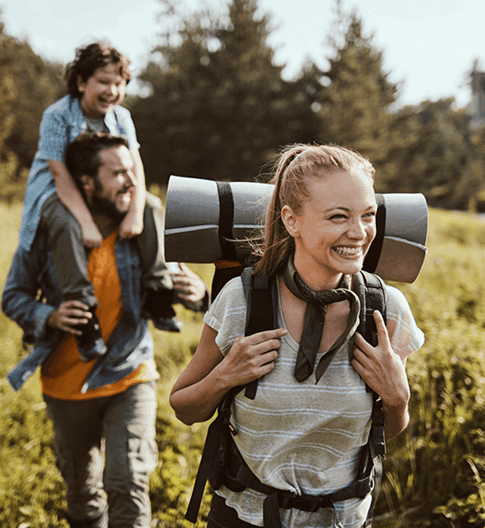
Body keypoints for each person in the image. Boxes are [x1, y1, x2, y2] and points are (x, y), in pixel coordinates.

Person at [169, 144, 425, 528]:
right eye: (338, 217)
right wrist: (226, 376)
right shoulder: (241, 301)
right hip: (245, 518)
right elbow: (184, 408)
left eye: (368, 215)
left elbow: (383, 433)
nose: (358, 233)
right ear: (292, 220)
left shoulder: (385, 310)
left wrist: (398, 398)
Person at [2, 132, 209, 528]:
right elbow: (13, 296)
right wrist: (49, 315)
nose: (129, 181)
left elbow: (189, 288)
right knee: (82, 495)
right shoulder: (48, 233)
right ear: (86, 182)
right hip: (65, 383)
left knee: (128, 481)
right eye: (117, 173)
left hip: (130, 375)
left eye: (131, 170)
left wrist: (199, 294)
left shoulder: (140, 229)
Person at [18, 41, 180, 363]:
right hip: (56, 190)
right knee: (65, 223)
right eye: (103, 82)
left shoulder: (122, 118)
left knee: (151, 206)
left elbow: (136, 166)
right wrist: (86, 222)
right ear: (81, 83)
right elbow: (60, 174)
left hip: (106, 188)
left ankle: (158, 290)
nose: (112, 90)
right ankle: (84, 313)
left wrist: (135, 213)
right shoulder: (58, 116)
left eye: (118, 83)